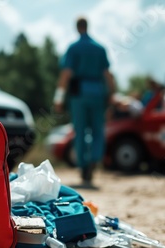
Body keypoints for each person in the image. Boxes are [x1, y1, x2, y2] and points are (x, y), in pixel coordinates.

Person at [54, 17, 115, 187]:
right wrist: (112, 95)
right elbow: (108, 75)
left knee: (80, 131)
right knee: (97, 130)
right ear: (87, 27)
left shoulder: (73, 48)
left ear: (77, 28)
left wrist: (58, 98)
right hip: (98, 93)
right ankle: (94, 160)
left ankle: (83, 166)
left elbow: (66, 74)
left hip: (79, 93)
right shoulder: (100, 48)